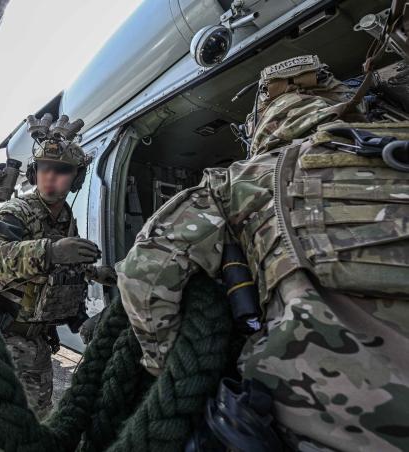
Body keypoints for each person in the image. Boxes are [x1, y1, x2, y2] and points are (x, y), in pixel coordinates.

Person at [116, 54, 409, 451]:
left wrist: (168, 367)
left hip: (327, 425)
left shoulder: (235, 181)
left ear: (262, 122)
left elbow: (145, 271)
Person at [0, 114, 114, 451]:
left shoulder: (64, 218)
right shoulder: (19, 210)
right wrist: (50, 251)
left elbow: (57, 274)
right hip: (4, 346)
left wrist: (94, 274)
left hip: (37, 349)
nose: (51, 176)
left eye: (62, 170)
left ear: (75, 179)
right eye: (44, 167)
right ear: (34, 173)